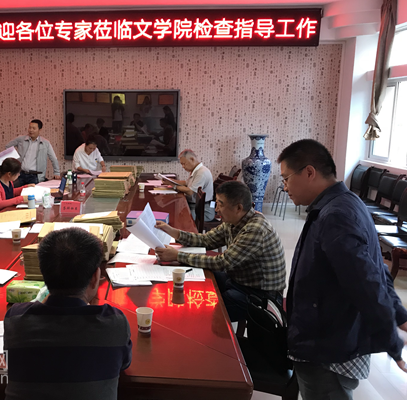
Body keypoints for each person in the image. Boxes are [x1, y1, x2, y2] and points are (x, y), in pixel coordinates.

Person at [277, 139, 407, 399]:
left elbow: (366, 281)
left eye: (286, 178)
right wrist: (399, 313)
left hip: (326, 347)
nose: (285, 187)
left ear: (309, 172)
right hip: (326, 334)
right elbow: (376, 267)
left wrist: (391, 339)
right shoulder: (344, 203)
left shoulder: (336, 215)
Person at [3, 228, 132, 399]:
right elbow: (124, 363)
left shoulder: (16, 319)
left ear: (43, 273)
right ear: (95, 277)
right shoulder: (114, 322)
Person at [154, 181, 286, 322]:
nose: (216, 209)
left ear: (238, 208)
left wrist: (177, 255)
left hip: (261, 295)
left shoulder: (255, 229)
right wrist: (173, 232)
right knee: (200, 278)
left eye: (220, 204)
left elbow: (223, 262)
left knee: (208, 308)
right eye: (216, 203)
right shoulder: (234, 221)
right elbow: (206, 240)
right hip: (239, 280)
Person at [6, 119, 60, 187]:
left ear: (39, 130)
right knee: (18, 192)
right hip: (20, 174)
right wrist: (16, 158)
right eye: (30, 128)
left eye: (34, 128)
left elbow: (53, 158)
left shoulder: (45, 143)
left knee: (33, 193)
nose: (31, 130)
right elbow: (8, 146)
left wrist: (57, 172)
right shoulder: (21, 139)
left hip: (35, 176)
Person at [166, 149, 215, 221]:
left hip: (204, 210)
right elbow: (186, 183)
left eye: (184, 164)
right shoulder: (196, 170)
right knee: (174, 208)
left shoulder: (201, 173)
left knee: (180, 217)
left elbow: (190, 191)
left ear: (192, 159)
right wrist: (171, 181)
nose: (183, 166)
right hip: (195, 205)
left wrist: (174, 186)